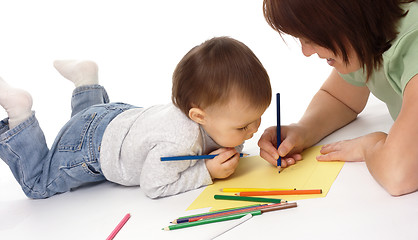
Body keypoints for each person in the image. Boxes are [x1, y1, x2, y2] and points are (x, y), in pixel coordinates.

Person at [0, 36, 272, 199]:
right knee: (37, 185)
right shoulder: (180, 143)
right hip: (93, 149)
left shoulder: (208, 115)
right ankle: (19, 113)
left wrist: (233, 142)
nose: (253, 130)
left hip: (116, 120)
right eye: (243, 126)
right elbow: (153, 185)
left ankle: (86, 80)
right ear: (198, 116)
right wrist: (206, 172)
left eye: (257, 118)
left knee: (85, 118)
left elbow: (227, 137)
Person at [259, 0, 418, 196]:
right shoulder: (367, 38)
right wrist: (303, 131)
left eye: (309, 38)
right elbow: (340, 98)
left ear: (344, 16)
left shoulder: (414, 41)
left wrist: (371, 145)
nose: (306, 52)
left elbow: (399, 174)